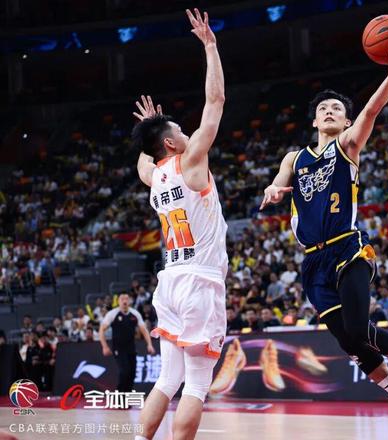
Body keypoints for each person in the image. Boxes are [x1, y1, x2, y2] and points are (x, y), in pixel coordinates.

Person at [259, 39, 388, 436]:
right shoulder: (295, 158)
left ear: (347, 122)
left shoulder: (348, 146)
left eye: (337, 109)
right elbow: (279, 180)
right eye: (323, 109)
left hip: (348, 248)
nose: (329, 111)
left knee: (357, 327)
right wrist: (274, 189)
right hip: (313, 260)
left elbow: (372, 110)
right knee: (350, 343)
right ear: (315, 122)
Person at [132, 9, 228, 440]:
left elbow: (145, 159)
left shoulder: (153, 176)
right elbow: (215, 102)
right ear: (172, 143)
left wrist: (150, 129)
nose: (189, 133)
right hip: (200, 282)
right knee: (197, 384)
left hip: (169, 281)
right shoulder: (191, 162)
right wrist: (210, 47)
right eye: (179, 131)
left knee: (167, 379)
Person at [100, 293, 155, 392]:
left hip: (131, 348)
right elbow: (101, 330)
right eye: (122, 299)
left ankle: (127, 396)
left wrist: (149, 344)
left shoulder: (135, 314)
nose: (124, 301)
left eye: (126, 299)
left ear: (129, 301)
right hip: (118, 349)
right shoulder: (112, 314)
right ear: (118, 301)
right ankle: (119, 396)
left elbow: (144, 330)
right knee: (124, 371)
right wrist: (104, 346)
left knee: (132, 373)